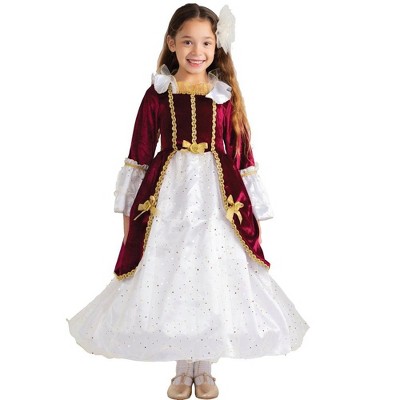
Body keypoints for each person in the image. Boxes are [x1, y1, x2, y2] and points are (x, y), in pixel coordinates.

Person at [67, 3, 309, 399]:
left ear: (217, 46)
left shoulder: (224, 95)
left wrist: (254, 213)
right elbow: (139, 154)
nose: (197, 51)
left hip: (219, 200)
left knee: (212, 275)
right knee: (176, 274)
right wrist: (127, 212)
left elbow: (242, 156)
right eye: (188, 42)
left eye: (206, 43)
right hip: (168, 199)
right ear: (171, 43)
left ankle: (206, 367)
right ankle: (183, 367)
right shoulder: (158, 94)